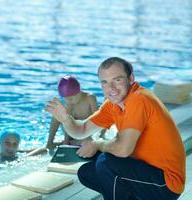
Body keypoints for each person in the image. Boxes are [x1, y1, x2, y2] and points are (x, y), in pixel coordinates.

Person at [46, 57, 185, 200]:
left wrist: (97, 144)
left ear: (131, 78)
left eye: (117, 80)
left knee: (106, 162)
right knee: (87, 172)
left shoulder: (139, 99)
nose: (111, 88)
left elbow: (124, 150)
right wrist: (66, 119)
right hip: (146, 173)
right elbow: (81, 130)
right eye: (104, 82)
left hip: (166, 183)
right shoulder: (113, 104)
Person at [46, 75, 98, 150]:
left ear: (79, 92)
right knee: (57, 116)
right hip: (73, 132)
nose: (69, 101)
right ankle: (49, 143)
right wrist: (66, 143)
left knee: (85, 140)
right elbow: (68, 122)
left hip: (87, 132)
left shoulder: (90, 98)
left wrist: (100, 137)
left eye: (71, 98)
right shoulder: (69, 105)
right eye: (66, 98)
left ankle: (69, 143)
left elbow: (98, 118)